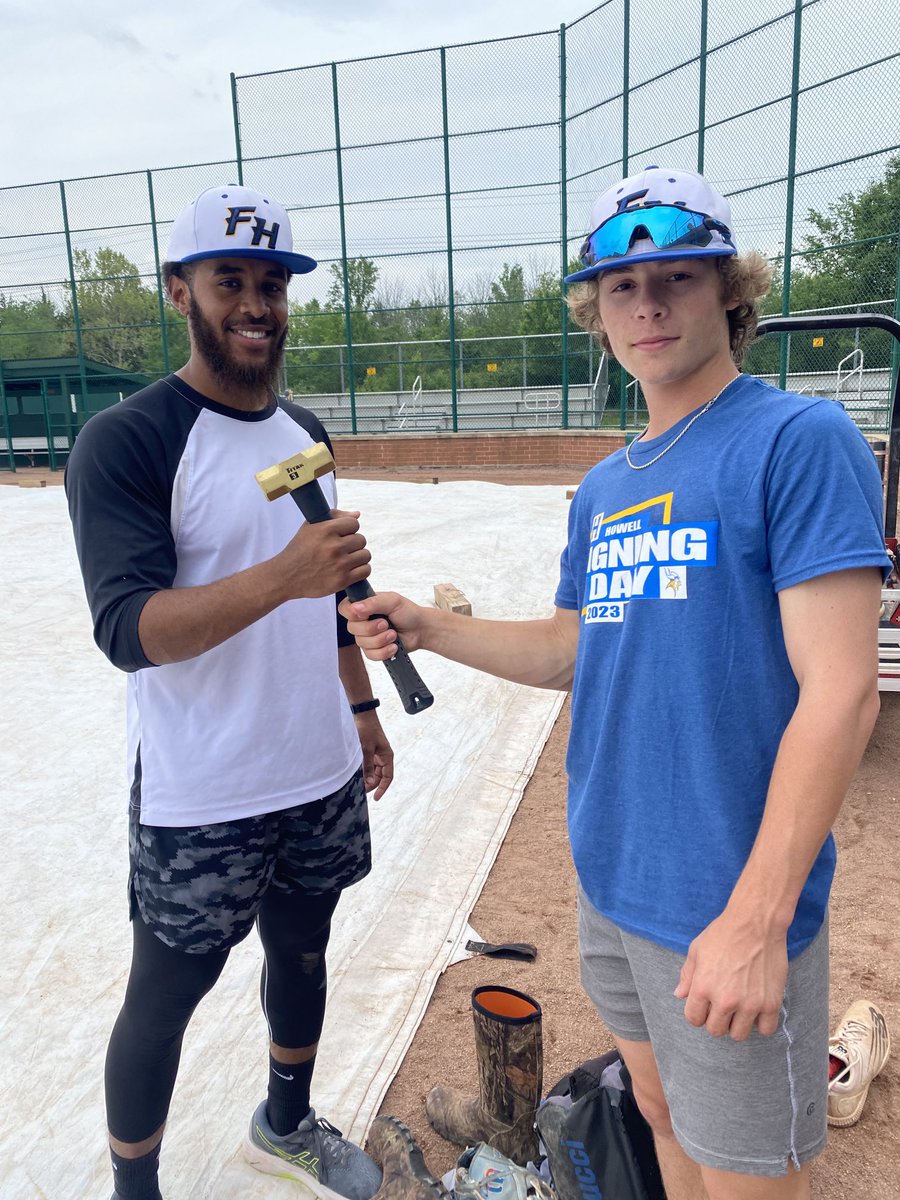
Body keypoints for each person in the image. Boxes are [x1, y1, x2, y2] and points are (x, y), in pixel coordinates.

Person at [342, 166, 892, 1200]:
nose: (648, 304)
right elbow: (575, 646)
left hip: (724, 896)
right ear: (595, 309)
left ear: (730, 292)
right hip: (616, 886)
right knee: (662, 1117)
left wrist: (756, 920)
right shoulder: (606, 488)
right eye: (622, 286)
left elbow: (844, 693)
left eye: (678, 278)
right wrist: (429, 626)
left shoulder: (795, 443)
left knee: (748, 1174)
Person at [66, 184, 391, 1200]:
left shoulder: (303, 430)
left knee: (303, 953)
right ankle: (136, 1188)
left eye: (272, 283)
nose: (256, 303)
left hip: (319, 770)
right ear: (181, 291)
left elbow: (331, 592)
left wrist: (363, 711)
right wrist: (285, 574)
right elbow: (130, 631)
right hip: (202, 791)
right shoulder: (128, 441)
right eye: (229, 281)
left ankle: (285, 1123)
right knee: (166, 994)